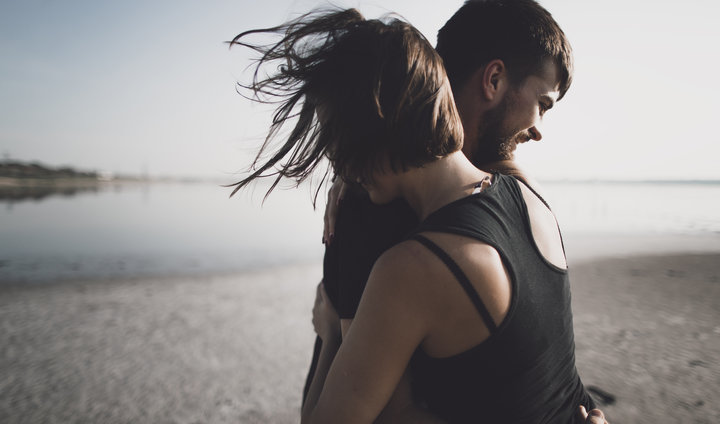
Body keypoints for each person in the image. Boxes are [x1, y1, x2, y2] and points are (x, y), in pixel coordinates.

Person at [230, 6, 605, 423]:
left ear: (372, 127)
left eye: (336, 141)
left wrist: (332, 330)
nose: (337, 162)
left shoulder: (406, 259)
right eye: (543, 104)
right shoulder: (530, 201)